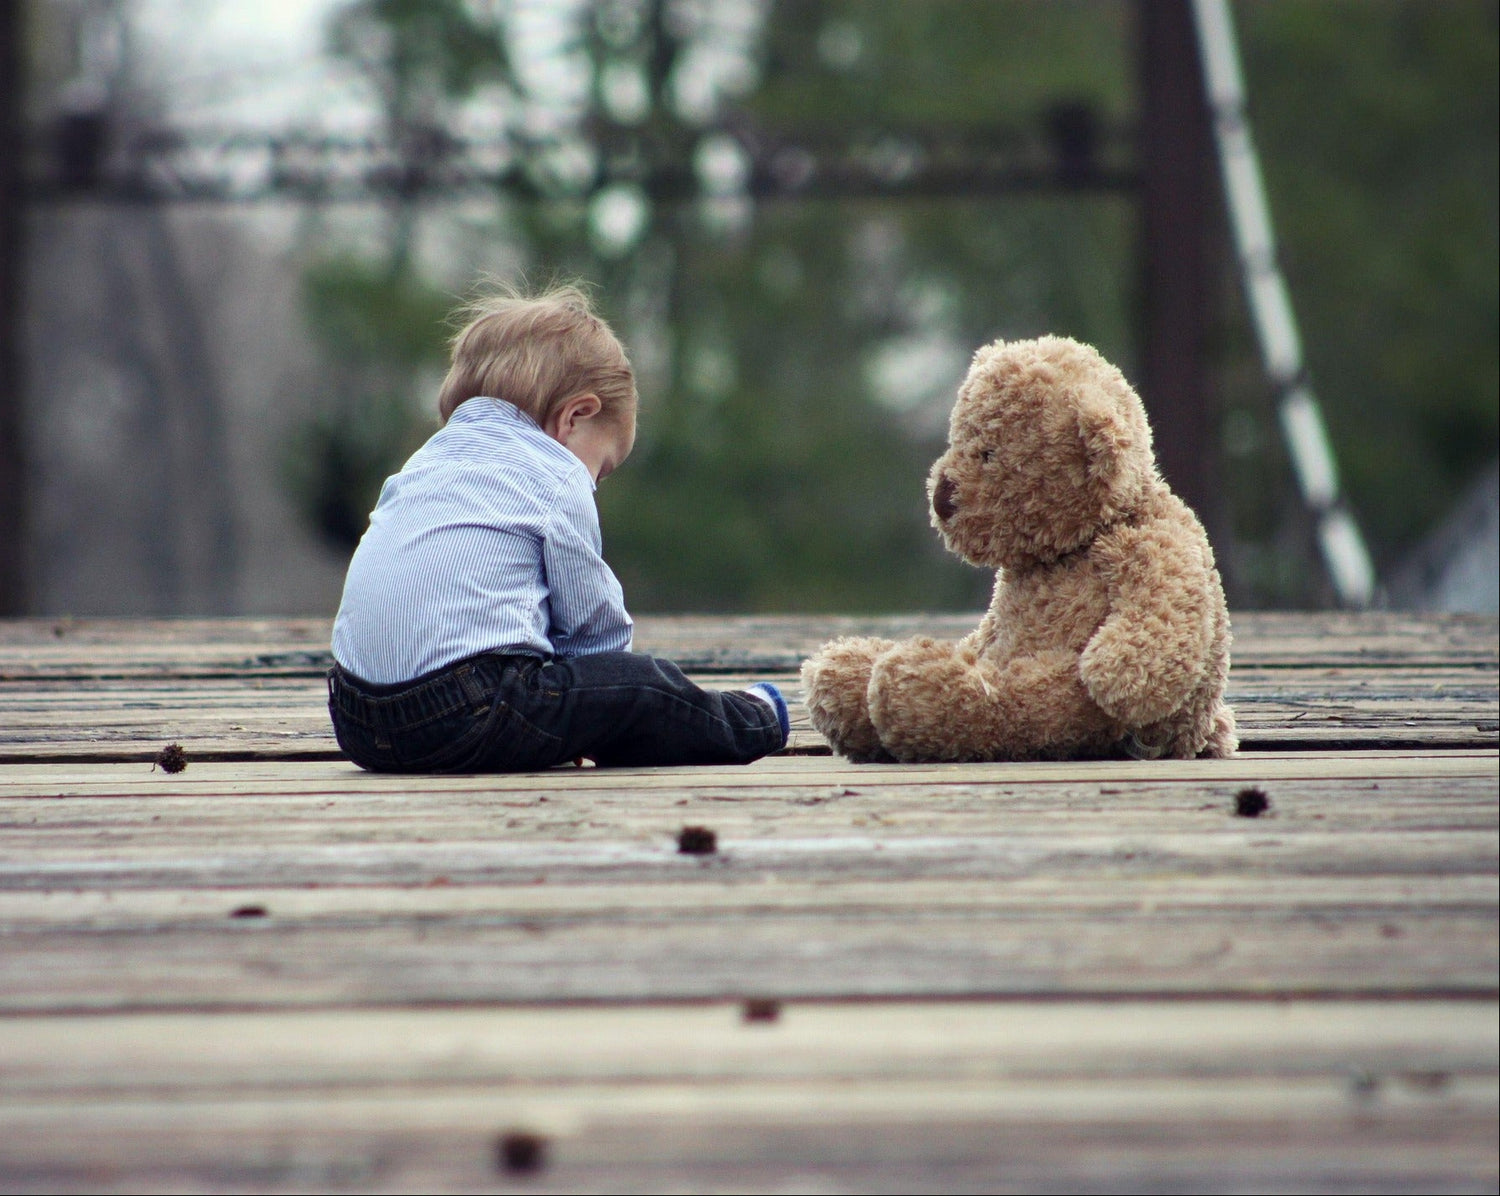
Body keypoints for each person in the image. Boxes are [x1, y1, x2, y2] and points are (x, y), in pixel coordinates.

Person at [326, 282, 789, 773]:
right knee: (645, 686)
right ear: (576, 416)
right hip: (465, 712)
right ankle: (755, 718)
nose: (595, 484)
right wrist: (602, 704)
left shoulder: (424, 463)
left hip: (356, 719)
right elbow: (593, 630)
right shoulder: (555, 473)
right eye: (603, 468)